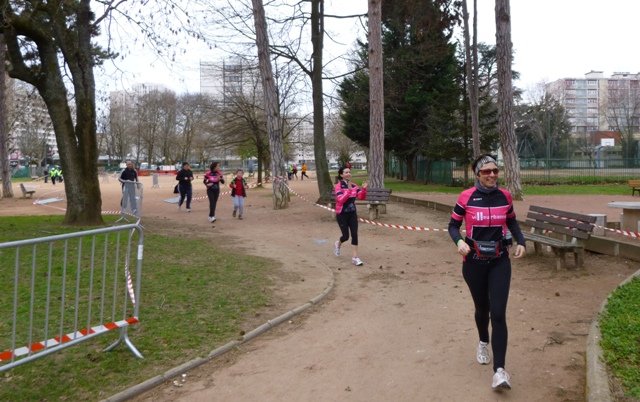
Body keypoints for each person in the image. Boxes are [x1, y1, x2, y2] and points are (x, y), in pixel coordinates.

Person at [447, 154, 526, 391]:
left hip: (500, 261)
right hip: (473, 262)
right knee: (482, 308)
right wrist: (459, 242)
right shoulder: (467, 197)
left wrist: (521, 241)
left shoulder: (506, 196)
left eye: (495, 170)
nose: (492, 175)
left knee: (499, 313)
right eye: (486, 172)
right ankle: (483, 341)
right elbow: (452, 225)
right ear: (477, 174)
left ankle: (499, 371)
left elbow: (512, 221)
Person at [333, 166, 368, 266]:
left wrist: (364, 189)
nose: (348, 173)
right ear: (341, 175)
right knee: (346, 236)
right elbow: (340, 200)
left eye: (349, 172)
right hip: (342, 214)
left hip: (352, 213)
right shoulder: (338, 186)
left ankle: (355, 257)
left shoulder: (354, 185)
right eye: (346, 172)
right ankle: (338, 243)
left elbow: (361, 197)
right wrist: (348, 191)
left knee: (354, 234)